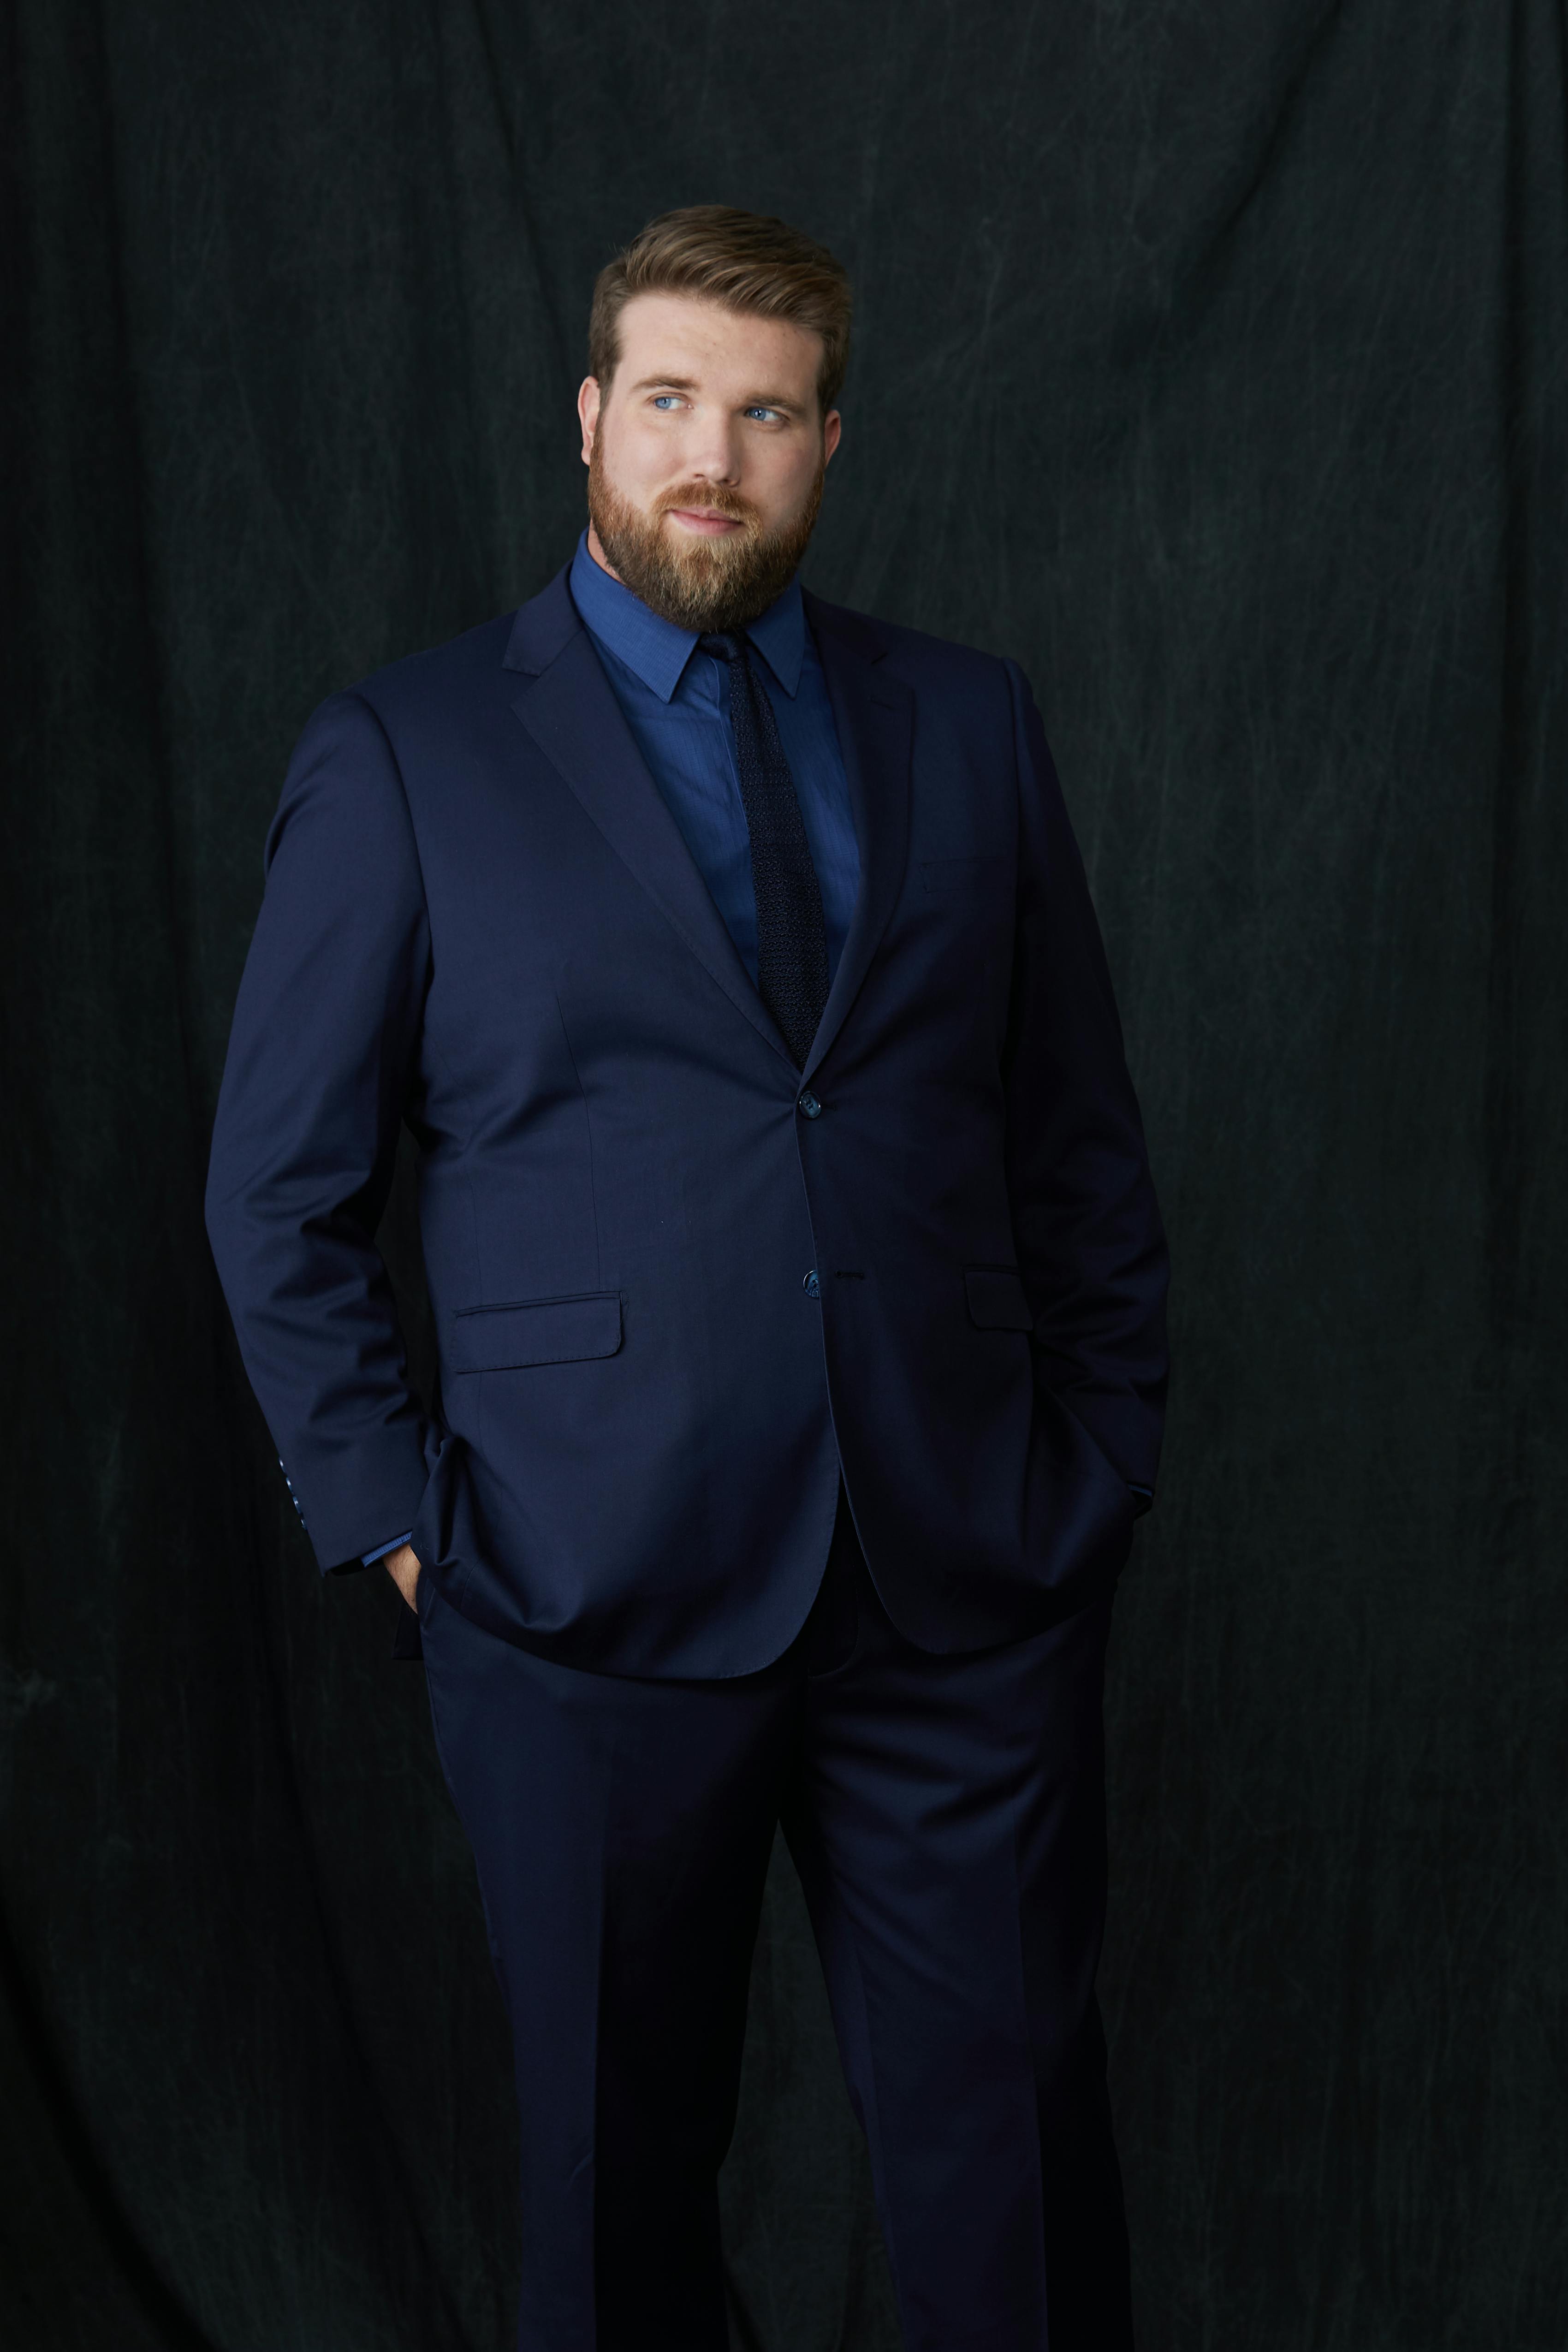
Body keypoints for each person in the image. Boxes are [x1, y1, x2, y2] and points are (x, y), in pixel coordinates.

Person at [205, 203, 1169, 2352]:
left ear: (831, 443)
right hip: (574, 1593)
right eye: (665, 402)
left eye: (762, 413)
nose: (707, 456)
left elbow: (1075, 1145)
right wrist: (395, 1527)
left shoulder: (970, 725)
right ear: (587, 422)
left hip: (960, 1585)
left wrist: (1090, 1468)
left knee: (1015, 2188)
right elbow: (277, 1190)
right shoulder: (410, 751)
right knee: (615, 2202)